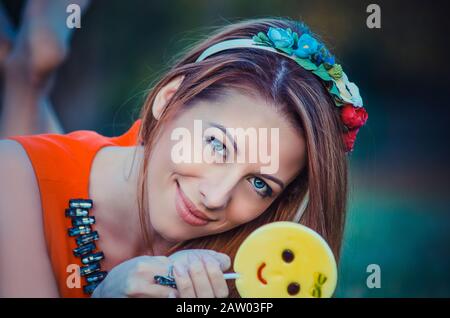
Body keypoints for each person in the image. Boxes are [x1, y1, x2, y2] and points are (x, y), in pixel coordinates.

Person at [0, 15, 368, 297]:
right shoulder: (11, 171)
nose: (216, 196)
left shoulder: (250, 264)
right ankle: (33, 65)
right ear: (168, 99)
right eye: (217, 145)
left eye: (259, 184)